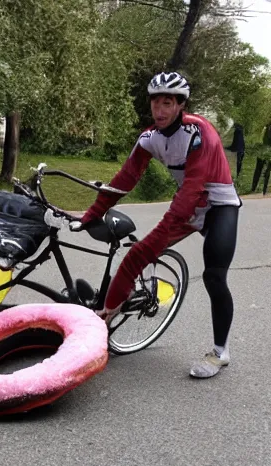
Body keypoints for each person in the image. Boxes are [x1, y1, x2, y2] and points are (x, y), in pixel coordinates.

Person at [73, 71, 242, 379]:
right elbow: (124, 180)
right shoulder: (150, 138)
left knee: (215, 275)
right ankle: (103, 322)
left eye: (168, 103)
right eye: (155, 103)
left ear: (180, 105)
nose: (160, 111)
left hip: (218, 204)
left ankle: (220, 352)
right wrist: (91, 214)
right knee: (137, 254)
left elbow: (193, 187)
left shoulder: (199, 132)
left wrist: (162, 232)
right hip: (189, 206)